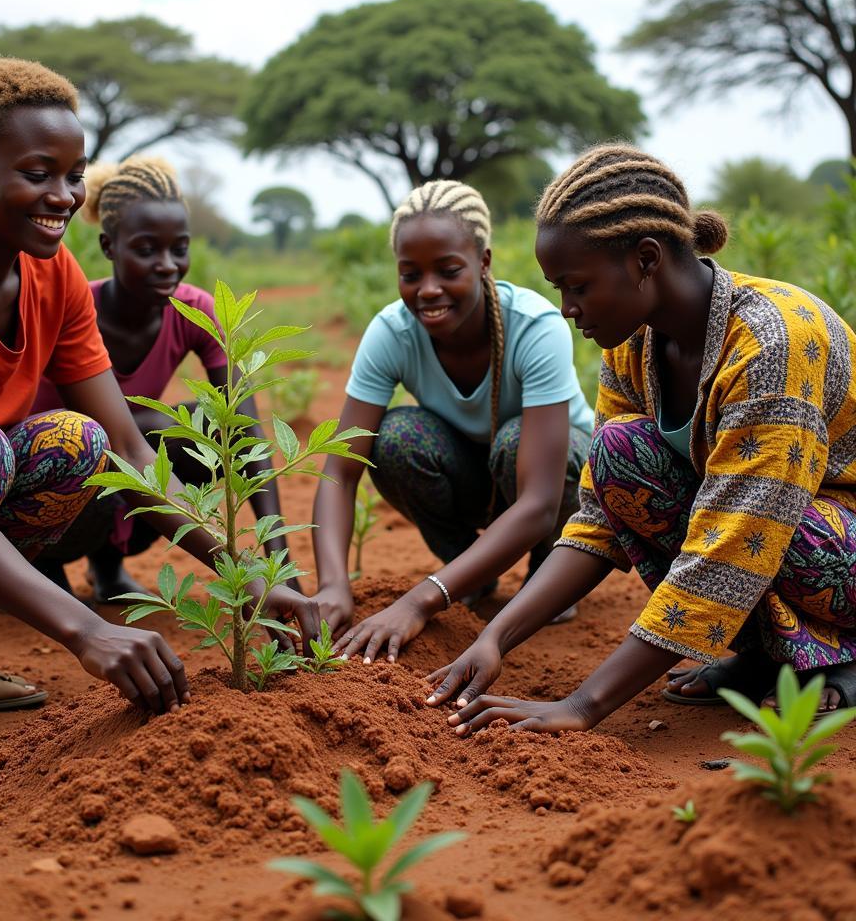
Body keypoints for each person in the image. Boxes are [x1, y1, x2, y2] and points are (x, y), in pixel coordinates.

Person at [0, 58, 317, 748]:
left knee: (76, 443)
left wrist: (251, 581)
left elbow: (128, 448)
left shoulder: (51, 272)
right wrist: (86, 628)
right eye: (38, 173)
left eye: (72, 173)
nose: (63, 195)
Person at [426, 144, 856, 735]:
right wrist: (495, 637)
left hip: (834, 538)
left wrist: (583, 706)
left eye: (577, 286)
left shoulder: (770, 344)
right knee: (619, 456)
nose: (567, 309)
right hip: (762, 527)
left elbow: (733, 545)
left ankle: (841, 654)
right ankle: (766, 660)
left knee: (757, 526)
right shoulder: (633, 342)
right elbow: (599, 517)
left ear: (646, 259)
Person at [312, 180, 594, 663]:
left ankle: (549, 581)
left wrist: (421, 599)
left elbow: (541, 503)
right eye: (409, 274)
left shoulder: (535, 326)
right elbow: (340, 470)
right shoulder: (392, 333)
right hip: (473, 475)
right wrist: (333, 585)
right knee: (395, 438)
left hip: (554, 485)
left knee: (514, 439)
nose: (427, 291)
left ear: (483, 262)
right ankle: (470, 572)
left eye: (448, 271)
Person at [32, 155, 289, 602]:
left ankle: (107, 568)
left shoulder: (195, 311)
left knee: (206, 432)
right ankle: (37, 567)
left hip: (128, 464)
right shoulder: (70, 308)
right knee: (109, 437)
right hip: (51, 478)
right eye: (147, 249)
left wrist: (277, 572)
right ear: (109, 246)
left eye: (180, 248)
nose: (168, 264)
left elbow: (246, 435)